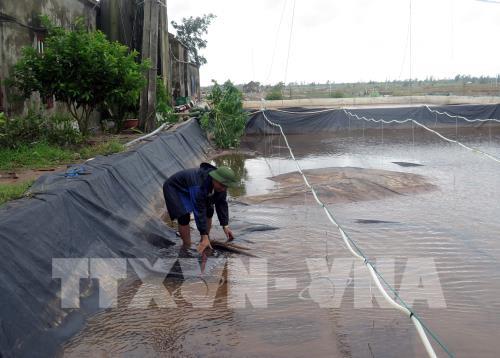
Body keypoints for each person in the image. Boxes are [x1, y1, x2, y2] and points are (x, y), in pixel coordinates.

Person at [163, 163, 238, 253]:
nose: (223, 189)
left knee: (209, 210)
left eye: (226, 186)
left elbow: (221, 203)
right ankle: (187, 246)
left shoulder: (221, 186)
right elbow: (199, 209)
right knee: (184, 216)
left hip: (191, 187)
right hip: (175, 188)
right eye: (222, 185)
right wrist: (203, 232)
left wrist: (225, 225)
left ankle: (205, 239)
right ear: (214, 178)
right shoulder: (199, 185)